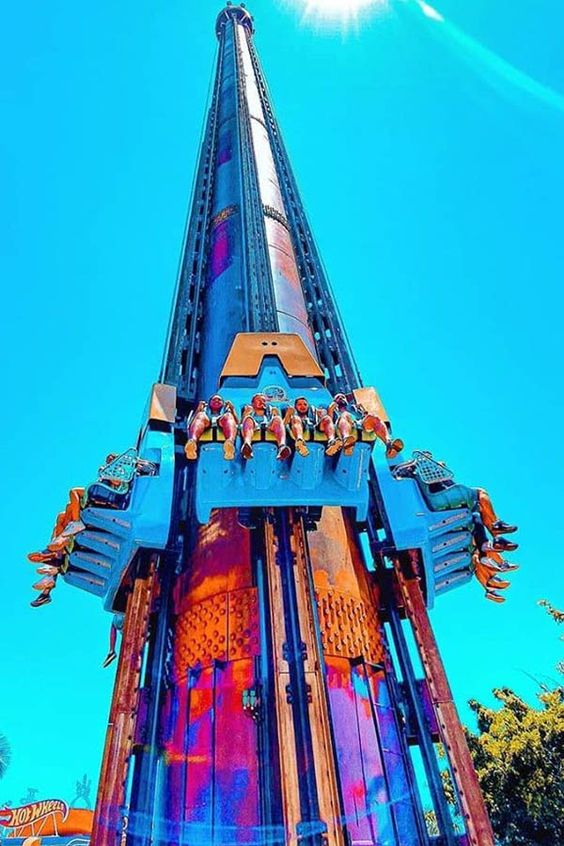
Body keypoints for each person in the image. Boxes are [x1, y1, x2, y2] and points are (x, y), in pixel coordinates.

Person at [393, 451, 518, 550]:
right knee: (481, 493)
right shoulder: (421, 471)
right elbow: (400, 472)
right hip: (439, 499)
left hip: (441, 498)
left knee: (477, 512)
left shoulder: (431, 476)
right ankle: (496, 525)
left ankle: (493, 539)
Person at [328, 393, 404, 458]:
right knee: (345, 414)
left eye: (343, 397)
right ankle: (347, 441)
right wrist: (331, 408)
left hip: (359, 426)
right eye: (338, 397)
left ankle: (389, 443)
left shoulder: (354, 408)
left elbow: (365, 418)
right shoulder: (334, 409)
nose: (341, 398)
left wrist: (363, 411)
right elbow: (329, 422)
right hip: (343, 427)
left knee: (374, 418)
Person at [185, 394, 238, 461]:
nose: (216, 401)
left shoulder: (225, 414)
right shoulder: (204, 413)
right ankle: (192, 443)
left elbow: (236, 425)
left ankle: (229, 444)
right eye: (214, 400)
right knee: (200, 415)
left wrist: (232, 410)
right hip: (206, 422)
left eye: (219, 400)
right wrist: (198, 409)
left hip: (221, 423)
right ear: (209, 403)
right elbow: (192, 423)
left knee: (228, 416)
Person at [241, 393, 291, 460]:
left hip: (268, 427)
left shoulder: (270, 414)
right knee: (248, 419)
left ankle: (282, 447)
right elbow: (241, 425)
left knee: (278, 419)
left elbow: (281, 425)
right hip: (253, 427)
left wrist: (277, 414)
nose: (262, 402)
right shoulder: (249, 413)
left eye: (264, 401)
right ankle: (247, 446)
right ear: (252, 403)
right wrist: (245, 414)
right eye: (259, 400)